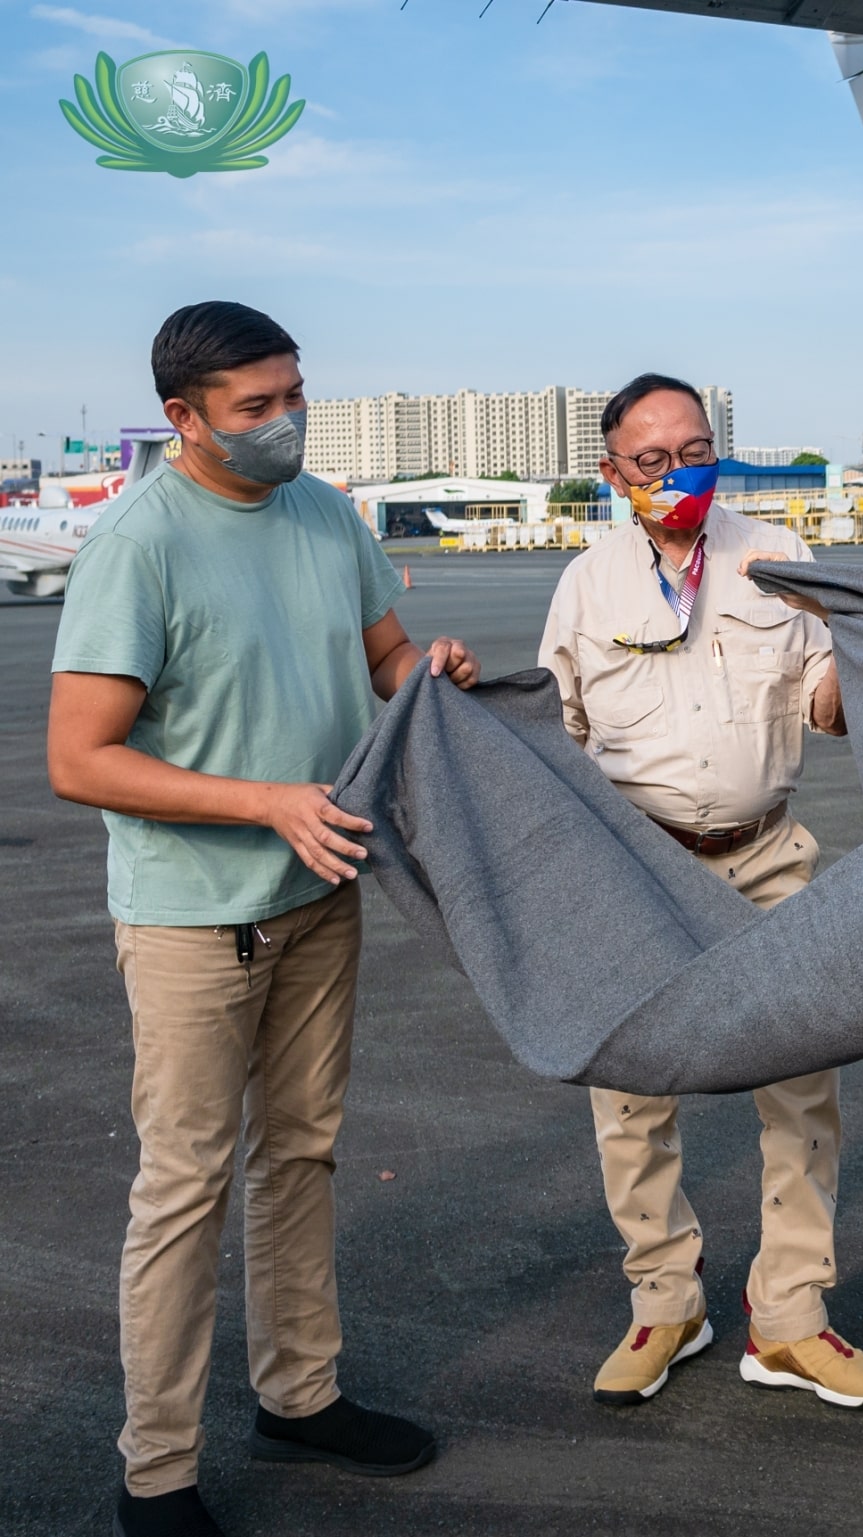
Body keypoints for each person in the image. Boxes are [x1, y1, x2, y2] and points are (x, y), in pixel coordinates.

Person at [46, 302, 476, 1537]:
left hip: (316, 894)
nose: (284, 420)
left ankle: (299, 1394)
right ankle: (158, 1472)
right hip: (191, 920)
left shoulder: (325, 513)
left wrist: (424, 670)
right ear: (183, 419)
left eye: (294, 393)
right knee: (182, 1186)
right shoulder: (139, 543)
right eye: (254, 406)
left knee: (301, 1158)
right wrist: (263, 803)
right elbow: (81, 757)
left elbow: (382, 654)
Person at [538, 372, 863, 1414]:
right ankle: (665, 1302)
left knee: (799, 1087)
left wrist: (860, 638)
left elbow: (830, 710)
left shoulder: (777, 559)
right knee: (630, 1097)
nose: (677, 471)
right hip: (637, 870)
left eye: (694, 448)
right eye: (651, 459)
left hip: (767, 856)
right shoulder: (585, 585)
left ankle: (790, 1318)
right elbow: (553, 738)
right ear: (612, 474)